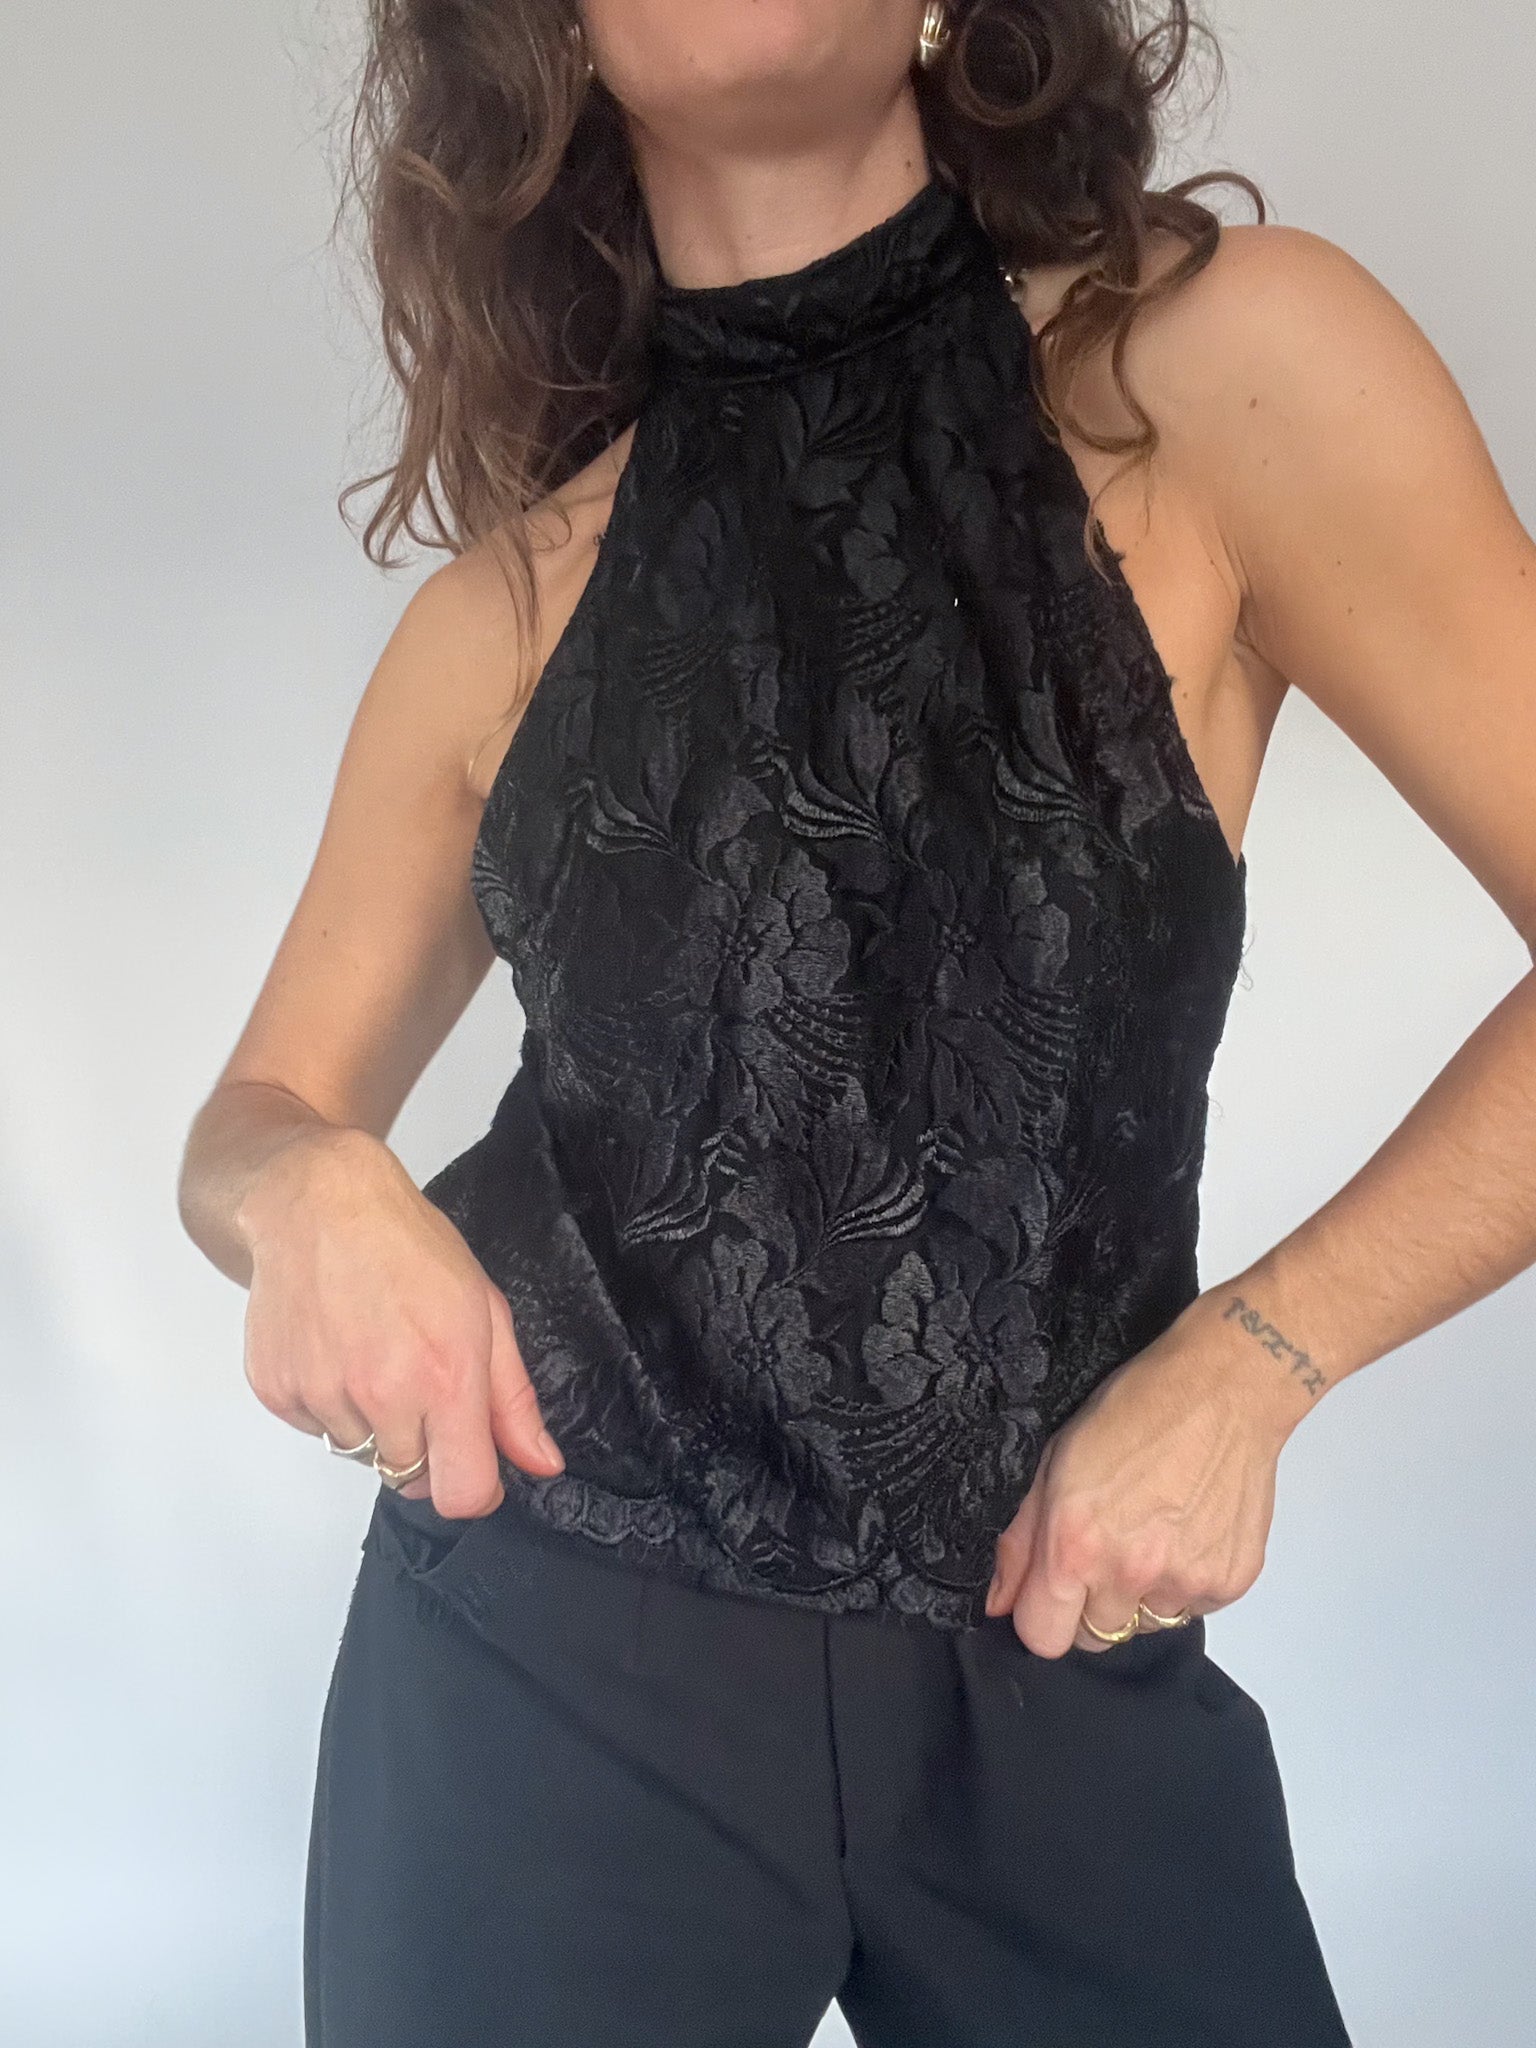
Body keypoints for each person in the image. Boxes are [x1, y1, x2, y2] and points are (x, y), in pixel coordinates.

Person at [177, 2, 1536, 2043]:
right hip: (550, 1653)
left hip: (1054, 1626)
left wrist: (1262, 1358)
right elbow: (253, 1115)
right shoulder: (503, 614)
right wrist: (304, 1189)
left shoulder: (1218, 369)